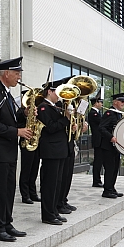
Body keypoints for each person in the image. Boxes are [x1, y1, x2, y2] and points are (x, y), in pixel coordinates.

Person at [0, 57, 32, 242]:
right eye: (17, 73)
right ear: (6, 73)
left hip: (8, 152)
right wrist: (17, 131)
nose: (19, 77)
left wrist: (23, 114)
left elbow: (7, 118)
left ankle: (7, 222)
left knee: (9, 189)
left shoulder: (6, 93)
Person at [36, 79, 73, 225]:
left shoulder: (55, 107)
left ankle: (54, 211)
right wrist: (66, 119)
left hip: (59, 150)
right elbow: (50, 127)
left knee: (57, 183)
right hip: (50, 151)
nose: (59, 96)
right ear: (50, 91)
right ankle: (48, 214)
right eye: (57, 93)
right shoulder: (43, 108)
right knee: (49, 184)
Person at [99, 92, 124, 198]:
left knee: (115, 168)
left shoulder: (118, 113)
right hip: (108, 146)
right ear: (115, 102)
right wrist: (110, 137)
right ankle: (107, 190)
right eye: (122, 101)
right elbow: (101, 127)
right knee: (110, 168)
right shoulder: (109, 113)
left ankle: (112, 187)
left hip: (116, 147)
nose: (123, 103)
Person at [16, 92, 41, 205]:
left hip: (35, 141)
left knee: (34, 169)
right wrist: (26, 115)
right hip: (26, 142)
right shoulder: (20, 111)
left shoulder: (36, 111)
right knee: (26, 169)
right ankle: (25, 195)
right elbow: (18, 123)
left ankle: (33, 193)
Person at [88, 97, 104, 187]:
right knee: (98, 161)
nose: (102, 104)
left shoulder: (97, 113)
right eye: (100, 102)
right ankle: (96, 180)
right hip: (98, 140)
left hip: (100, 140)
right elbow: (102, 122)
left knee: (100, 160)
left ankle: (98, 180)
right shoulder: (93, 113)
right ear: (96, 103)